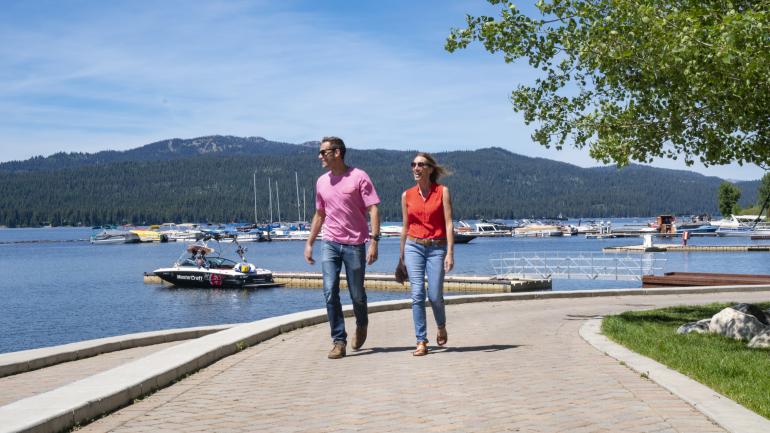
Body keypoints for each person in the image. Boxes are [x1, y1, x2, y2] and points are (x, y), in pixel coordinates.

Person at [305, 136, 381, 359]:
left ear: (337, 153)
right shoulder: (321, 181)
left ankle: (362, 323)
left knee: (357, 295)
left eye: (323, 152)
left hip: (355, 244)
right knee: (330, 291)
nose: (319, 156)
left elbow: (373, 210)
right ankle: (339, 340)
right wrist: (309, 243)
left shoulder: (359, 176)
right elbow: (320, 214)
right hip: (329, 242)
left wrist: (374, 242)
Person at [399, 152, 454, 356]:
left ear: (430, 169)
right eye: (413, 164)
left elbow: (449, 223)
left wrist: (450, 252)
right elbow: (405, 227)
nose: (416, 168)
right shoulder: (407, 195)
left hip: (437, 248)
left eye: (420, 164)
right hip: (413, 246)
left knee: (435, 295)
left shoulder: (442, 192)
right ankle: (421, 340)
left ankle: (441, 325)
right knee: (417, 295)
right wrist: (401, 257)